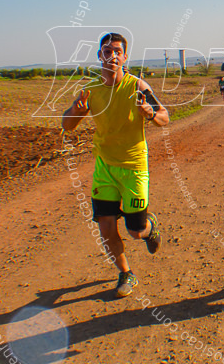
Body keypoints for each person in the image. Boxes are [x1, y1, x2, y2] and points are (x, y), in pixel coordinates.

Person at [62, 32, 170, 297]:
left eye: (117, 51)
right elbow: (67, 125)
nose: (111, 56)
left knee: (135, 231)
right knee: (106, 226)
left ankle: (149, 227)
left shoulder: (138, 86)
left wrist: (151, 113)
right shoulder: (90, 89)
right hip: (105, 167)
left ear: (124, 57)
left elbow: (165, 117)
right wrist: (76, 111)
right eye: (106, 51)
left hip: (133, 166)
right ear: (100, 55)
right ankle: (126, 273)